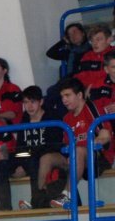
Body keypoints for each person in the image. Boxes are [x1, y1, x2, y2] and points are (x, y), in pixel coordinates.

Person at [44, 78, 113, 208]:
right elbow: (67, 144)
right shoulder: (66, 118)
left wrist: (87, 146)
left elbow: (106, 136)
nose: (64, 100)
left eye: (67, 95)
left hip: (99, 159)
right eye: (62, 96)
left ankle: (67, 195)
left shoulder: (90, 107)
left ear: (80, 95)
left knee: (78, 150)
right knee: (47, 158)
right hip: (77, 159)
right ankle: (39, 200)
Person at [0, 86, 64, 210]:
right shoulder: (25, 119)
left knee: (33, 160)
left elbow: (53, 146)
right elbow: (20, 146)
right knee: (0, 165)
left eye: (32, 102)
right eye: (26, 102)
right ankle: (5, 208)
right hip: (26, 157)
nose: (29, 106)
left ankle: (36, 201)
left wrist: (26, 159)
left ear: (41, 102)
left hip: (42, 158)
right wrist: (19, 162)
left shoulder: (52, 118)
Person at [74, 25, 113, 90]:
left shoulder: (113, 54)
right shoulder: (87, 56)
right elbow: (80, 76)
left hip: (107, 90)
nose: (94, 43)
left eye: (98, 39)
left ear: (108, 40)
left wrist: (92, 87)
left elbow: (112, 77)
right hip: (87, 90)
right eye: (92, 40)